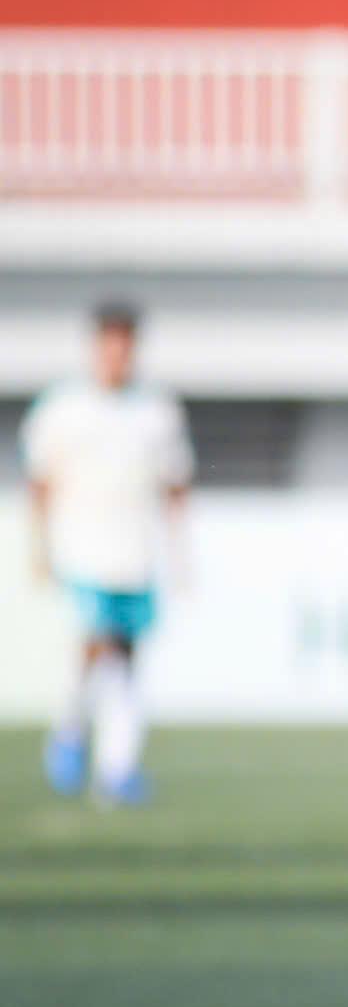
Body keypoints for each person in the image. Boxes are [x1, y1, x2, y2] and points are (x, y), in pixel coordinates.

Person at [23, 301, 192, 806]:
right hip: (84, 548)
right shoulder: (63, 407)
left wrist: (181, 551)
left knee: (128, 656)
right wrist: (39, 544)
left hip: (135, 551)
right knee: (97, 642)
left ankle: (116, 767)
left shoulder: (156, 410)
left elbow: (175, 484)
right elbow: (41, 481)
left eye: (125, 345)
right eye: (109, 344)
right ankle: (71, 730)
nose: (117, 355)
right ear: (96, 347)